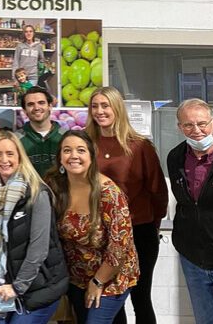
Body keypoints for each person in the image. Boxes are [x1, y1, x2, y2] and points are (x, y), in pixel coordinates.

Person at [86, 87, 167, 324]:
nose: (100, 111)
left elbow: (158, 192)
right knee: (110, 298)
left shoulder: (140, 146)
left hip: (138, 232)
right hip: (99, 234)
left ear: (117, 108)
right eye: (95, 106)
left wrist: (152, 226)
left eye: (105, 105)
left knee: (141, 298)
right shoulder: (86, 143)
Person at [45, 130, 139, 324]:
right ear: (60, 157)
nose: (74, 156)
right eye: (67, 150)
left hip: (111, 276)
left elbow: (119, 247)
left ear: (91, 156)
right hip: (75, 277)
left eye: (80, 150)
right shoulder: (54, 186)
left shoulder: (109, 193)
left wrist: (98, 282)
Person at [0, 131, 68, 324]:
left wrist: (17, 288)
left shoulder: (37, 192)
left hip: (38, 288)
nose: (4, 160)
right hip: (3, 285)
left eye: (10, 154)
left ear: (20, 157)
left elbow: (39, 249)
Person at [166, 98, 213, 324]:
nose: (196, 130)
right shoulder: (175, 157)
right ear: (180, 127)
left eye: (202, 123)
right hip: (194, 261)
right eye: (188, 125)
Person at [17, 87, 64, 177]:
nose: (36, 108)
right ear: (24, 110)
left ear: (50, 106)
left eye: (41, 103)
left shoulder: (66, 137)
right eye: (30, 104)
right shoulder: (16, 140)